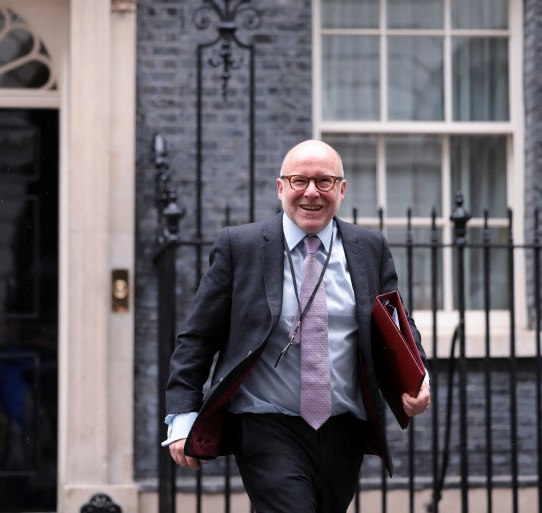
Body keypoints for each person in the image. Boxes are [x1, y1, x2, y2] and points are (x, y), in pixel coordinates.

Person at [163, 139, 431, 513]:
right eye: (299, 181)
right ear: (280, 188)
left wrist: (416, 379)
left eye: (324, 182)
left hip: (344, 427)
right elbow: (198, 337)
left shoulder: (369, 247)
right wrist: (182, 416)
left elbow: (397, 324)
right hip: (265, 421)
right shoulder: (240, 246)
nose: (311, 193)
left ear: (341, 189)